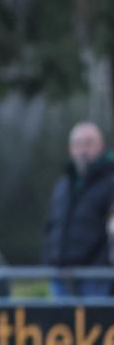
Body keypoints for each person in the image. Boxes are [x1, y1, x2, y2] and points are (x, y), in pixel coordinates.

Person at [43, 122, 114, 297]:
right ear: (70, 148)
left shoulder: (111, 181)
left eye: (89, 143)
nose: (83, 149)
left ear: (102, 146)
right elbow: (52, 225)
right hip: (60, 277)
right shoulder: (64, 183)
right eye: (78, 143)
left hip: (95, 279)